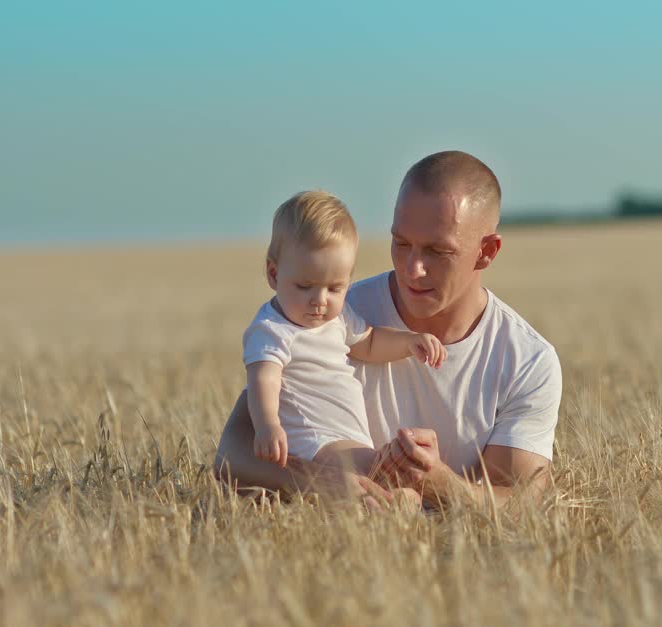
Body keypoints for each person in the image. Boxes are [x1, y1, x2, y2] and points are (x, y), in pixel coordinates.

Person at [215, 151, 562, 511]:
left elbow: (522, 503)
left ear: (486, 252)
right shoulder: (334, 312)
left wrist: (438, 482)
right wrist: (319, 481)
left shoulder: (528, 360)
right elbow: (233, 453)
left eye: (437, 251)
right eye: (401, 243)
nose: (412, 269)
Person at [241, 190, 445, 509]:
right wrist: (268, 425)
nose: (320, 300)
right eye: (305, 286)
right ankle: (390, 507)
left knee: (382, 486)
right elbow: (263, 378)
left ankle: (393, 506)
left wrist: (409, 341)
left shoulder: (338, 318)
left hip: (348, 437)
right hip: (314, 442)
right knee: (371, 477)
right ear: (273, 274)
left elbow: (370, 342)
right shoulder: (272, 330)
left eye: (335, 288)